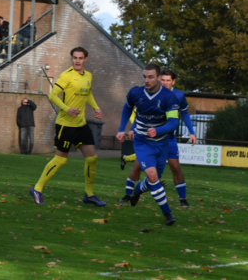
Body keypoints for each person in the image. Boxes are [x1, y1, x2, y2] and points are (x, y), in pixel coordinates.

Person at [30, 47, 105, 206]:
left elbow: (88, 93)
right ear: (72, 59)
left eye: (80, 58)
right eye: (75, 58)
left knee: (92, 158)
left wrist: (96, 108)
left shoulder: (89, 76)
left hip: (81, 124)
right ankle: (37, 188)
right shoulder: (66, 76)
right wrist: (67, 109)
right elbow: (52, 95)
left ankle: (89, 195)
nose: (77, 61)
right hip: (65, 125)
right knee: (60, 160)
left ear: (86, 60)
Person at [119, 69, 196, 207]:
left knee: (175, 167)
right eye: (163, 80)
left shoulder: (178, 96)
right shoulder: (150, 93)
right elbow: (143, 114)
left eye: (168, 80)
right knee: (137, 165)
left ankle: (183, 200)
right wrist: (133, 128)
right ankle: (127, 194)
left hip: (168, 138)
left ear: (173, 81)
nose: (165, 83)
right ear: (159, 79)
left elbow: (184, 114)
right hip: (148, 139)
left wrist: (191, 132)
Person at [115, 64, 179, 226]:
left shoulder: (168, 97)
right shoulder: (135, 93)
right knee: (152, 176)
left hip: (162, 143)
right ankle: (168, 213)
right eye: (144, 76)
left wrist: (159, 130)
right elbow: (127, 108)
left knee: (154, 180)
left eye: (150, 77)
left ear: (158, 78)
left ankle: (136, 191)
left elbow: (173, 122)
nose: (147, 80)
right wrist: (122, 129)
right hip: (143, 142)